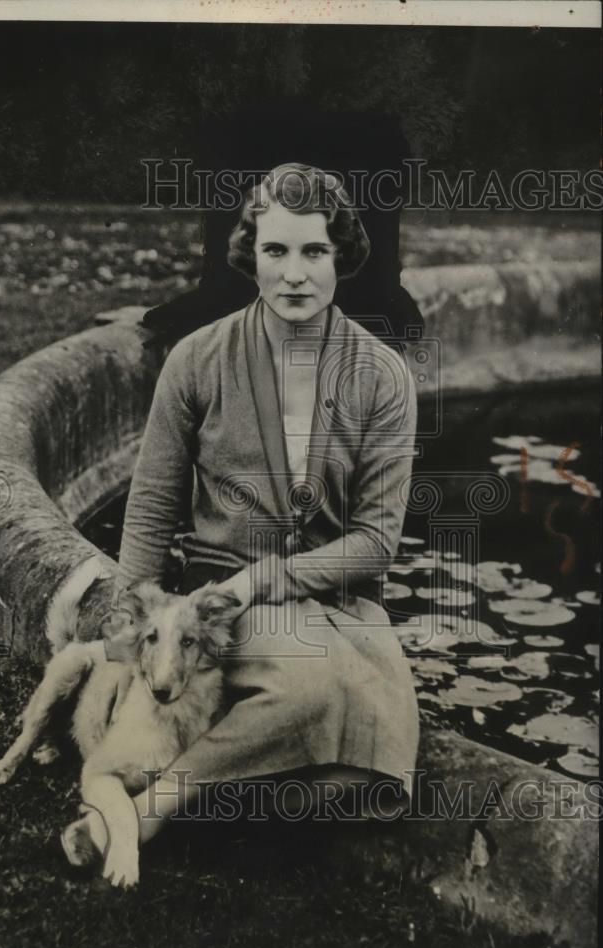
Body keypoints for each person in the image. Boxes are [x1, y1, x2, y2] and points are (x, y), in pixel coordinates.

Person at [109, 163, 419, 847]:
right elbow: (152, 509)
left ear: (343, 257)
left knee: (376, 762)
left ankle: (197, 795)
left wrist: (270, 580)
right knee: (308, 693)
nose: (295, 274)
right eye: (275, 251)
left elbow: (375, 542)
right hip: (220, 599)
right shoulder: (196, 360)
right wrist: (123, 636)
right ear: (251, 256)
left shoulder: (383, 377)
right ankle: (153, 807)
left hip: (340, 600)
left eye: (315, 251)